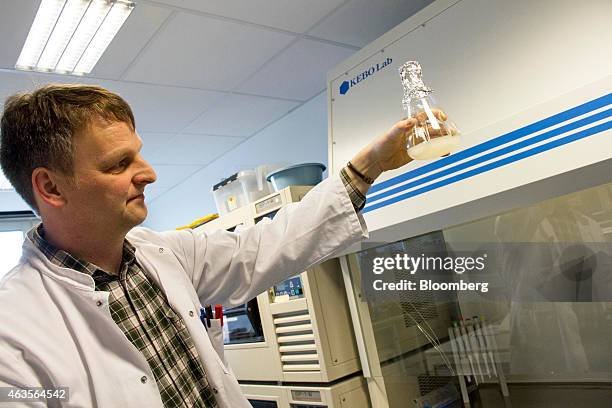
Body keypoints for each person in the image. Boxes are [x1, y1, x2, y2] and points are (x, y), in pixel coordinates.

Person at [0, 84, 416, 407]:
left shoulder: (163, 254)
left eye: (138, 155)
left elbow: (267, 245)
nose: (148, 174)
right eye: (119, 164)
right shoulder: (12, 333)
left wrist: (369, 165)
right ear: (51, 187)